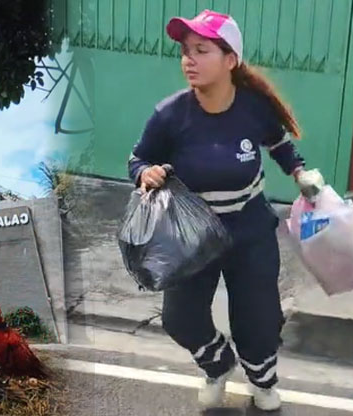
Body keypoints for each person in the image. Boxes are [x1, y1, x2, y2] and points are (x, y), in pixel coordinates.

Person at [128, 9, 322, 411]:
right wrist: (145, 172)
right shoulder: (169, 114)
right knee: (179, 318)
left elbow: (280, 144)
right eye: (185, 51)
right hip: (191, 234)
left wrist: (300, 173)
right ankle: (218, 365)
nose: (189, 59)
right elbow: (138, 159)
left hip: (249, 229)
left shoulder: (254, 108)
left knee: (259, 318)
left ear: (230, 59)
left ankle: (263, 382)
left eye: (201, 50)